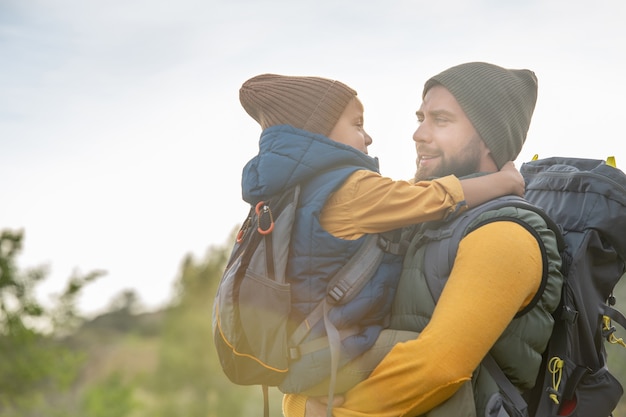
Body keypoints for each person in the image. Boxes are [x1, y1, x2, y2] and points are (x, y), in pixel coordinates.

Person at [282, 62, 564, 417]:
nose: (419, 134)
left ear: (490, 137)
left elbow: (438, 366)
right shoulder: (424, 223)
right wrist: (299, 397)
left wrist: (318, 412)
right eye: (421, 118)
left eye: (441, 120)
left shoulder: (506, 232)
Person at [238, 73, 526, 399]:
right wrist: (506, 182)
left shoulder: (295, 192)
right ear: (319, 133)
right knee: (451, 366)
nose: (369, 137)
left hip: (306, 349)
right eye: (357, 124)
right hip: (335, 349)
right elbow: (434, 197)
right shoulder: (350, 189)